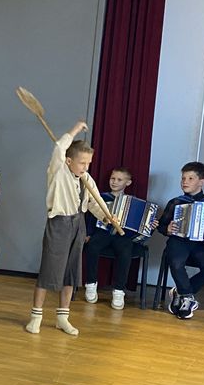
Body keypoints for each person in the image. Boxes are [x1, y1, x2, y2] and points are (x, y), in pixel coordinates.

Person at [24, 121, 112, 336]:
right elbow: (59, 148)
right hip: (59, 224)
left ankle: (62, 317)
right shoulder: (58, 171)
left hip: (78, 224)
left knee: (72, 272)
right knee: (49, 270)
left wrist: (107, 217)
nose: (86, 167)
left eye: (88, 163)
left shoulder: (86, 178)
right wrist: (75, 130)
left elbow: (95, 202)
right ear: (69, 161)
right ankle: (36, 317)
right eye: (82, 163)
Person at [156, 161, 204, 320]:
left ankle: (181, 292)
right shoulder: (176, 202)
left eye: (190, 178)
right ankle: (187, 297)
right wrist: (167, 229)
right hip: (179, 241)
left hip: (202, 245)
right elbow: (161, 225)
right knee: (176, 262)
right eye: (183, 178)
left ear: (201, 182)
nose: (185, 181)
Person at [82, 167, 153, 310]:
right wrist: (88, 233)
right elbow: (91, 217)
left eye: (119, 180)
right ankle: (91, 284)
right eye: (112, 178)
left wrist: (150, 224)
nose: (114, 182)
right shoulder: (101, 197)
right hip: (102, 232)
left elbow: (141, 226)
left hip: (122, 236)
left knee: (126, 251)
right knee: (92, 246)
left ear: (128, 183)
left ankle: (119, 290)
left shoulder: (133, 202)